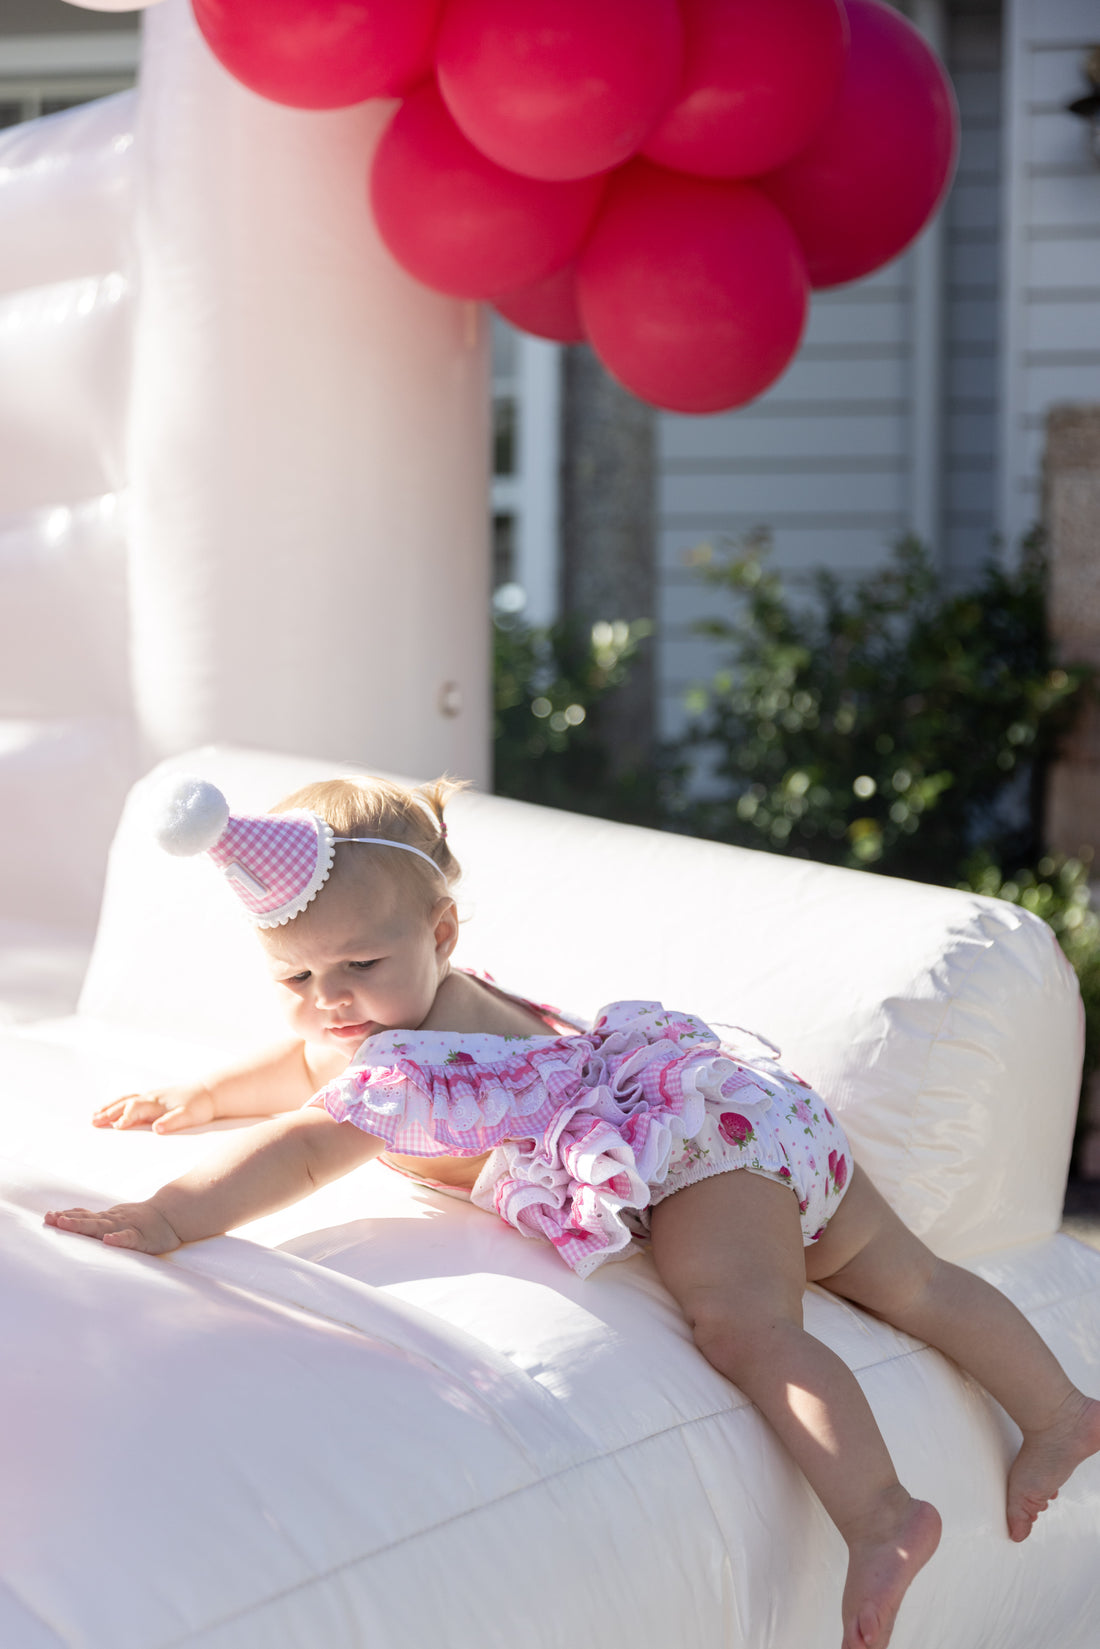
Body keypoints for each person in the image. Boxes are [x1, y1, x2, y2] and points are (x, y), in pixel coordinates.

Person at [45, 773, 1100, 1649]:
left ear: (441, 930)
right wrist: (206, 1093)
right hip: (742, 1105)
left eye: (359, 965)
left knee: (746, 1324)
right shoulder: (402, 1006)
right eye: (297, 973)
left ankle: (881, 1514)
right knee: (910, 1279)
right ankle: (1059, 1408)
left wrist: (173, 1216)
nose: (330, 996)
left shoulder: (419, 1062)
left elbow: (310, 1141)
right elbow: (309, 1058)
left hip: (702, 1155)